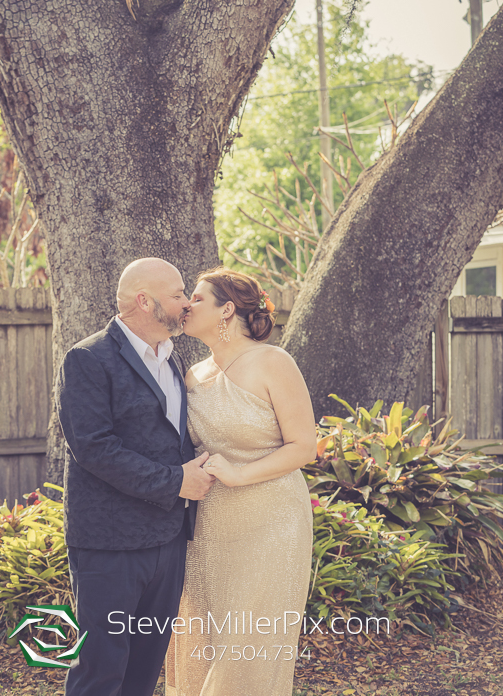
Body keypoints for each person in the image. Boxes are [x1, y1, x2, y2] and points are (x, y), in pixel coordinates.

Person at [56, 258, 215, 696]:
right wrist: (175, 482)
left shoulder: (173, 357)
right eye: (179, 293)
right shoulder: (88, 358)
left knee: (144, 672)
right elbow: (94, 448)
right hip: (109, 546)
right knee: (101, 671)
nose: (187, 302)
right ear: (145, 301)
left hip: (168, 540)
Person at [165, 266, 316, 696]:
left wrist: (239, 474)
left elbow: (304, 447)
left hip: (271, 524)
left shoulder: (273, 362)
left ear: (227, 309)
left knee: (250, 645)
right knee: (202, 642)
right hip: (208, 527)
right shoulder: (193, 376)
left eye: (196, 297)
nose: (186, 305)